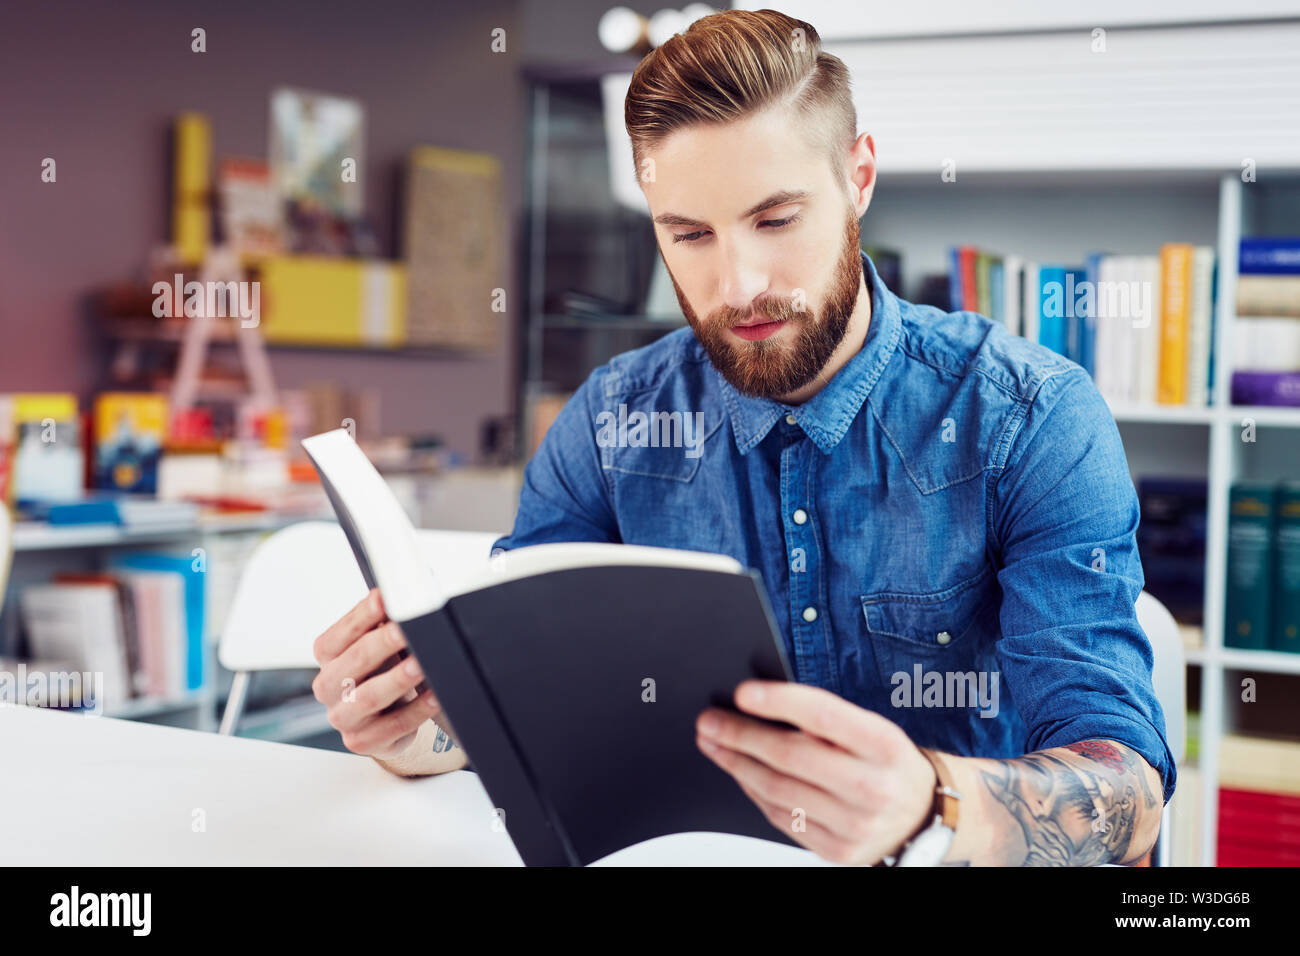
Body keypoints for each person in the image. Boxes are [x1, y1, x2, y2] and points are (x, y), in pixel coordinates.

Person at [312, 8, 1174, 866]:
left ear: (859, 176)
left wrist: (931, 805)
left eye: (776, 219)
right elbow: (526, 718)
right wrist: (417, 730)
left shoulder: (1031, 418)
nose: (739, 285)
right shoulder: (612, 426)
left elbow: (1130, 799)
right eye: (688, 235)